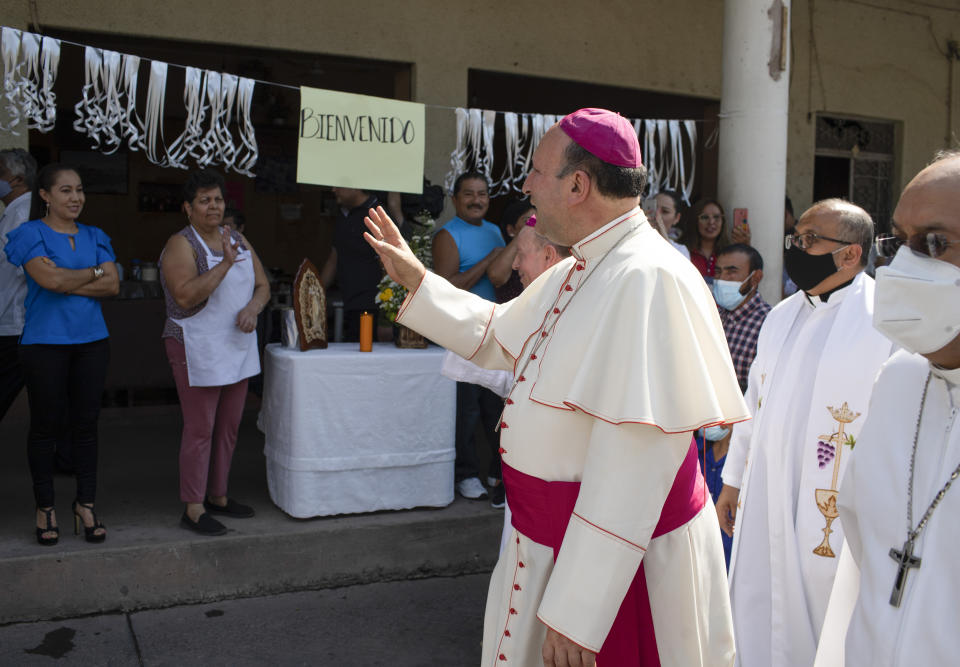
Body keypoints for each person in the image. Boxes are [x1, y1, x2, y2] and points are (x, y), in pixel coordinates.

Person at [364, 107, 748, 666]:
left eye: (536, 172)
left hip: (621, 571)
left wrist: (577, 612)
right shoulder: (582, 268)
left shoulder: (649, 279)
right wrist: (418, 282)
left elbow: (633, 466)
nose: (525, 186)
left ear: (577, 184)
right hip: (552, 542)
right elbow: (499, 335)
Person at [715, 199, 894, 667]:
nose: (797, 248)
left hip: (833, 505)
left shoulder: (884, 320)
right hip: (767, 487)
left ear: (850, 254)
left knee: (828, 610)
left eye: (811, 239)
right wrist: (733, 480)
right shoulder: (782, 315)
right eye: (797, 238)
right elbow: (754, 402)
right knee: (757, 595)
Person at [813, 152, 960, 666]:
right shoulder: (898, 380)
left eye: (935, 244)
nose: (904, 266)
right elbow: (863, 556)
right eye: (900, 242)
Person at [4, 163, 119, 545]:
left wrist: (71, 282)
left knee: (86, 427)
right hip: (44, 343)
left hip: (91, 342)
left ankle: (85, 504)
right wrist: (94, 273)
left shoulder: (96, 234)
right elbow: (48, 280)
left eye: (80, 190)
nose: (76, 198)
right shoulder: (27, 233)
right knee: (45, 428)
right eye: (66, 190)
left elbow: (113, 283)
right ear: (45, 196)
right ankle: (45, 507)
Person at [159, 169, 269, 536]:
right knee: (200, 429)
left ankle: (219, 496)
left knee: (228, 428)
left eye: (218, 199)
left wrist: (253, 308)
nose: (213, 206)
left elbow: (263, 285)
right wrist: (224, 263)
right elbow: (186, 295)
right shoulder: (181, 244)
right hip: (196, 344)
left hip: (235, 345)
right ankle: (193, 507)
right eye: (204, 200)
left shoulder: (236, 237)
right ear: (187, 208)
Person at [433, 171, 506, 501]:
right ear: (455, 199)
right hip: (462, 332)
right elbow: (447, 287)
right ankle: (465, 473)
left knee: (496, 406)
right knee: (468, 410)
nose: (477, 200)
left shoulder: (495, 231)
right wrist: (489, 260)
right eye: (469, 194)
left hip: (494, 331)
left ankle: (495, 471)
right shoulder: (448, 235)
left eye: (483, 194)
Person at [320, 187, 385, 342]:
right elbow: (334, 258)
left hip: (372, 308)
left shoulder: (377, 214)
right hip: (347, 304)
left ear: (356, 186)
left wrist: (386, 318)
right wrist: (314, 291)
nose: (333, 189)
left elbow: (389, 264)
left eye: (339, 185)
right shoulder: (343, 214)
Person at [0, 148, 36, 422]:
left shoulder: (23, 212)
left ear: (16, 178)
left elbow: (31, 269)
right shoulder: (13, 211)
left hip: (16, 321)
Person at [713, 243, 771, 393]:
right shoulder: (714, 317)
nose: (721, 279)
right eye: (718, 272)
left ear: (755, 278)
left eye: (731, 272)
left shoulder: (769, 323)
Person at [487, 198, 536, 303]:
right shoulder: (503, 255)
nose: (534, 224)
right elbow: (496, 277)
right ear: (511, 230)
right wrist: (525, 232)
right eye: (528, 220)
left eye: (537, 220)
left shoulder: (547, 253)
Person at [685, 198, 732, 279]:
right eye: (704, 217)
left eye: (717, 217)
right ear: (695, 221)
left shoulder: (730, 253)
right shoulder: (683, 251)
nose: (711, 222)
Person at [652, 189, 690, 259]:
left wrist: (663, 235)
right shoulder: (633, 241)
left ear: (676, 218)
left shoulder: (681, 250)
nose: (657, 215)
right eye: (654, 208)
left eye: (665, 211)